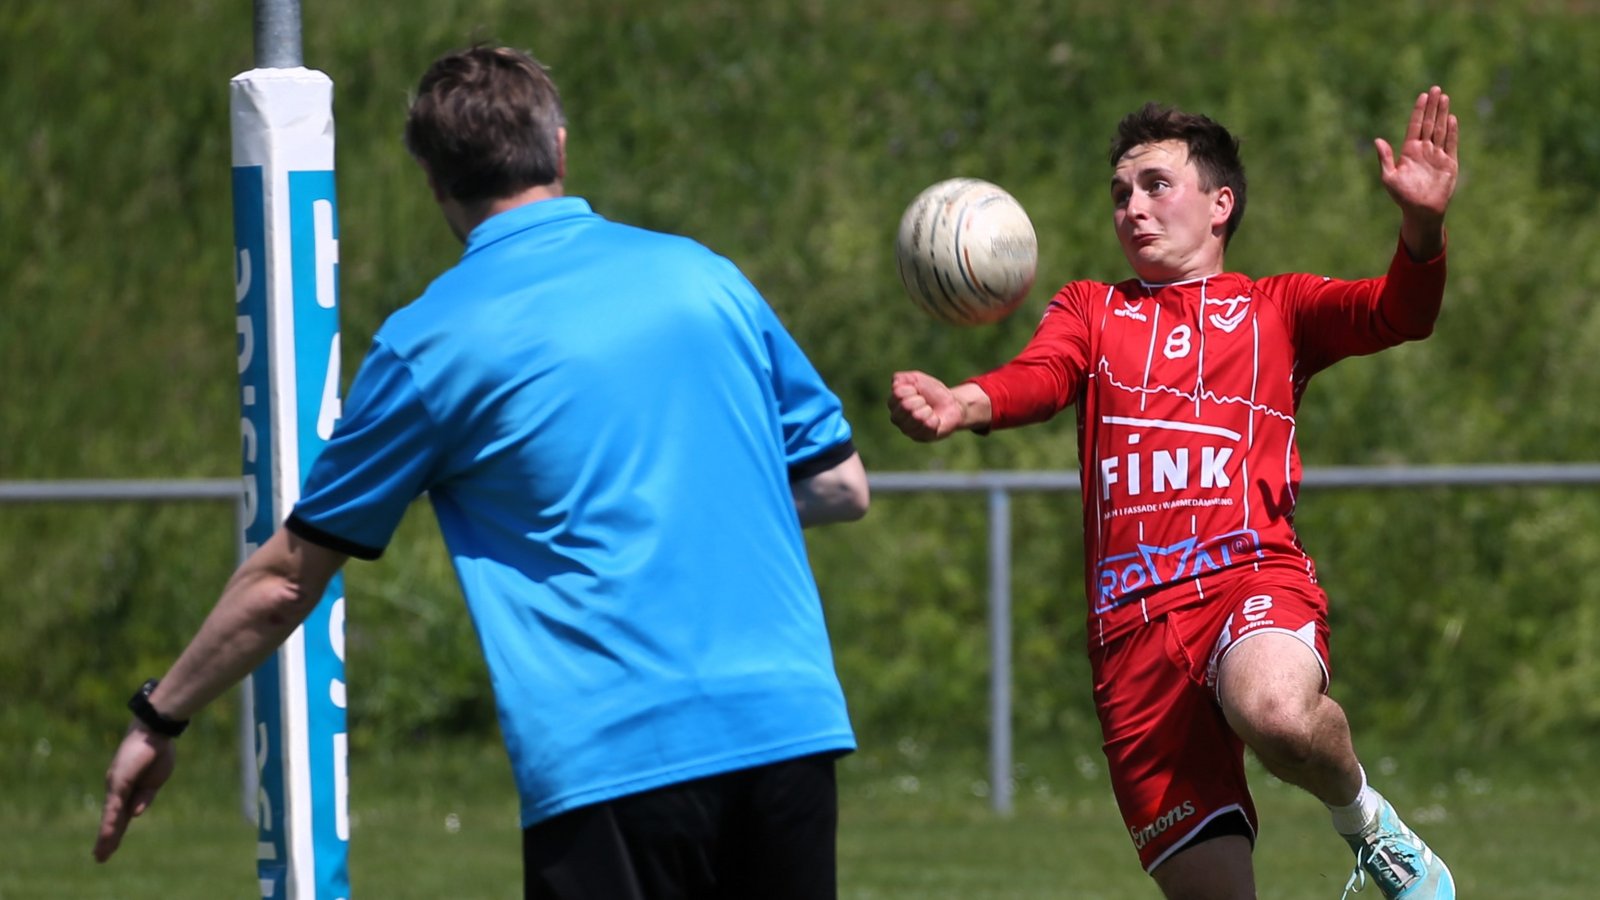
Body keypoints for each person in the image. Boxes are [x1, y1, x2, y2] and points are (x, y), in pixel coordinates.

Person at [95, 45, 870, 900]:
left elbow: (286, 581)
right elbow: (842, 486)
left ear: (435, 184)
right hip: (787, 727)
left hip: (615, 753)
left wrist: (159, 714)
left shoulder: (430, 344)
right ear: (560, 148)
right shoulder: (706, 277)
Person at [888, 88, 1459, 899]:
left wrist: (1423, 227)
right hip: (1132, 640)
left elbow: (1400, 311)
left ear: (1221, 203)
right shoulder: (1093, 308)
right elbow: (1041, 376)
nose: (1133, 207)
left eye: (1156, 184)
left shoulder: (1277, 308)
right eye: (1120, 193)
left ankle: (1369, 823)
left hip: (1246, 581)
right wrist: (964, 403)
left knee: (1279, 715)